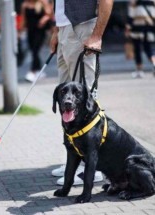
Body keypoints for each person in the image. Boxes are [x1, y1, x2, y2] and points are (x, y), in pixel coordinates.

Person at [50, 0, 113, 186]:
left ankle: (90, 167)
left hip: (82, 27)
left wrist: (97, 35)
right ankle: (73, 161)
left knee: (83, 102)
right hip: (64, 28)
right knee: (66, 101)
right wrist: (56, 30)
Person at [20, 0, 52, 82]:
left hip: (40, 31)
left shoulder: (42, 2)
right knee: (33, 51)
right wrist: (19, 32)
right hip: (30, 31)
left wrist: (43, 20)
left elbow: (49, 14)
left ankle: (32, 71)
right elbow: (24, 19)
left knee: (35, 50)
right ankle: (39, 71)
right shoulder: (25, 4)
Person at [125, 0, 155, 78]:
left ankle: (139, 71)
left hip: (137, 27)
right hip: (149, 26)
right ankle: (154, 63)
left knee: (137, 49)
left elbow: (131, 13)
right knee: (149, 48)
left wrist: (128, 26)